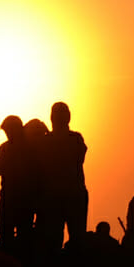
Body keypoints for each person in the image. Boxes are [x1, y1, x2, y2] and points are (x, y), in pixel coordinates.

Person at [42, 102, 87, 247]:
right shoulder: (74, 139)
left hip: (65, 195)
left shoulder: (47, 141)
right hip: (65, 195)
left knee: (68, 237)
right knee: (66, 237)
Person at [0, 115, 40, 256]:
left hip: (20, 199)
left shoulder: (27, 148)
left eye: (8, 131)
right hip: (13, 198)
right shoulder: (26, 148)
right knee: (12, 236)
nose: (7, 134)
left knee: (20, 237)